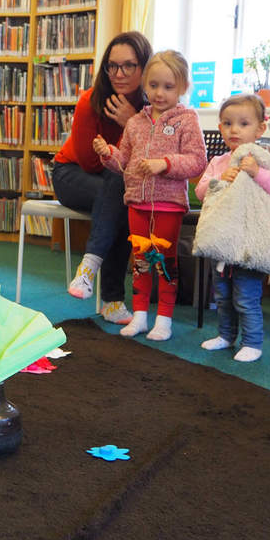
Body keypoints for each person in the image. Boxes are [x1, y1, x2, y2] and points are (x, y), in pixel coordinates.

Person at [93, 49, 206, 341]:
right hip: (137, 204)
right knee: (140, 261)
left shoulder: (187, 120)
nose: (159, 93)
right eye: (153, 85)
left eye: (168, 87)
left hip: (168, 205)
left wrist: (164, 164)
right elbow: (124, 162)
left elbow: (197, 162)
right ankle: (141, 316)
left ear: (183, 87)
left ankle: (164, 319)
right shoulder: (135, 122)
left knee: (164, 262)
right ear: (145, 85)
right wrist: (108, 154)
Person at [53, 31, 153, 325]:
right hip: (72, 174)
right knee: (122, 193)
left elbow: (150, 155)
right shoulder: (90, 101)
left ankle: (89, 269)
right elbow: (88, 161)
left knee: (123, 194)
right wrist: (126, 142)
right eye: (112, 66)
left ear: (144, 67)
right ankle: (112, 300)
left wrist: (132, 122)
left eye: (129, 66)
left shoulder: (151, 107)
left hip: (117, 182)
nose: (119, 74)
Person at [194, 94, 270, 363]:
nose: (234, 129)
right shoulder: (218, 162)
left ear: (260, 128)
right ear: (220, 127)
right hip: (222, 242)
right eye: (227, 123)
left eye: (243, 123)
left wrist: (258, 173)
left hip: (249, 245)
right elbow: (200, 192)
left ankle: (252, 343)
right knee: (222, 295)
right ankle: (226, 336)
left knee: (246, 297)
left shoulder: (264, 160)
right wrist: (219, 179)